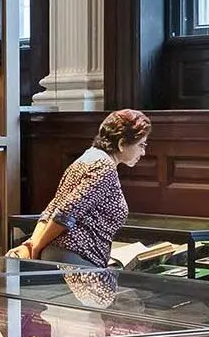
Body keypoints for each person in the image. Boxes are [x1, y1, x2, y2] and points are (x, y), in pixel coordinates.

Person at [10, 109, 150, 267]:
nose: (143, 152)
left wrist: (32, 245)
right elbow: (64, 213)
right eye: (141, 145)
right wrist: (35, 248)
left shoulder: (86, 159)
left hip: (63, 256)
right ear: (122, 143)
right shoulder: (104, 167)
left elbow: (52, 210)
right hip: (75, 259)